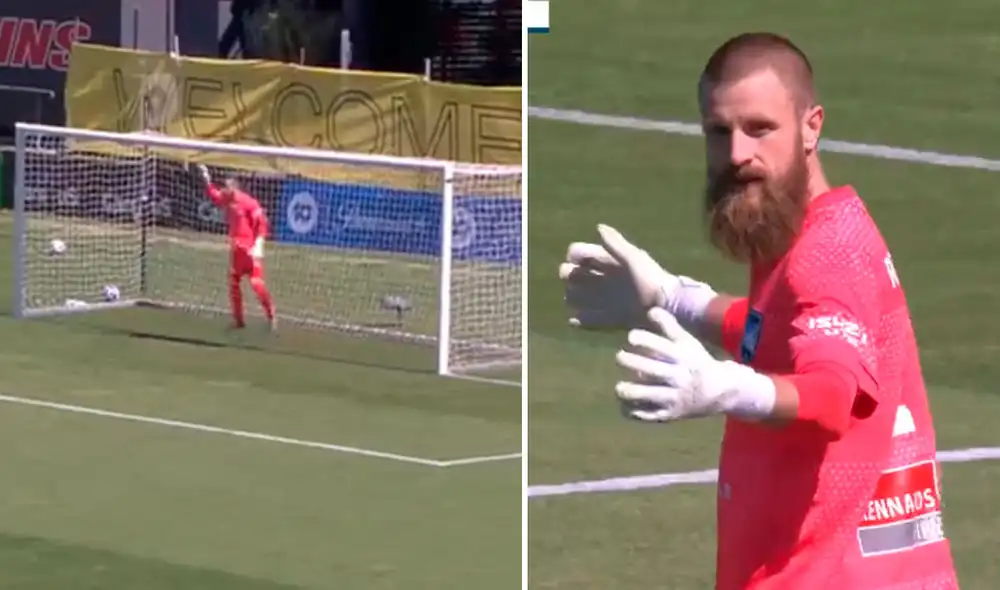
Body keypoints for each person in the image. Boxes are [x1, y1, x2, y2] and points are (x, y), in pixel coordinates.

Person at [560, 32, 958, 589]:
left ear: (812, 126)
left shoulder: (826, 255)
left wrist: (727, 388)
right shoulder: (809, 231)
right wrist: (676, 299)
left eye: (760, 129)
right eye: (718, 132)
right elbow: (784, 333)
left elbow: (833, 392)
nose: (737, 155)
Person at [197, 164, 276, 331]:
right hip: (237, 250)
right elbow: (215, 196)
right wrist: (207, 179)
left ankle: (271, 315)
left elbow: (262, 223)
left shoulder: (249, 203)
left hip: (249, 250)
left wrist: (259, 243)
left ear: (234, 186)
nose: (224, 189)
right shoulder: (227, 198)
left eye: (227, 186)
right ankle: (239, 320)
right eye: (224, 186)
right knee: (234, 283)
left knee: (256, 283)